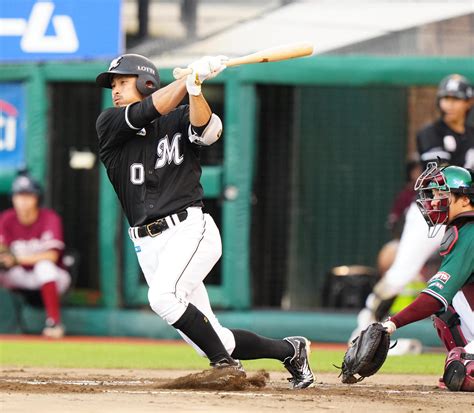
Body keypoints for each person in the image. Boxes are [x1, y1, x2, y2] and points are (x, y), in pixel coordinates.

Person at [95, 53, 314, 389]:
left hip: (188, 230)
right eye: (113, 84)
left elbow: (207, 130)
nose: (116, 90)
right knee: (213, 337)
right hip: (146, 243)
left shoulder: (180, 118)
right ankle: (290, 350)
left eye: (123, 82)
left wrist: (195, 89)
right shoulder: (110, 124)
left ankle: (224, 366)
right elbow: (149, 110)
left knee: (162, 298)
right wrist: (186, 79)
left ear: (145, 83)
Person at [350, 74, 474, 341]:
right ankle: (366, 326)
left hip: (466, 212)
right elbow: (441, 175)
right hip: (434, 212)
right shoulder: (430, 133)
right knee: (400, 274)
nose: (449, 105)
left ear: (468, 102)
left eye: (456, 99)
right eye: (446, 99)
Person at [381, 162, 474, 392]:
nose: (433, 202)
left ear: (464, 200)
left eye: (442, 194)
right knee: (448, 306)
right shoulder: (464, 227)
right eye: (433, 195)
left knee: (464, 369)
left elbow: (434, 297)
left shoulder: (469, 230)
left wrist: (391, 324)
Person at [0, 171, 71, 338]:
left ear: (37, 198)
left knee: (44, 267)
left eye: (28, 195)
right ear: (13, 198)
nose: (23, 201)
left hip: (54, 278)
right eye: (19, 195)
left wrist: (16, 259)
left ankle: (54, 323)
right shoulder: (6, 218)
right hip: (20, 275)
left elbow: (52, 257)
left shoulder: (49, 218)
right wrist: (5, 257)